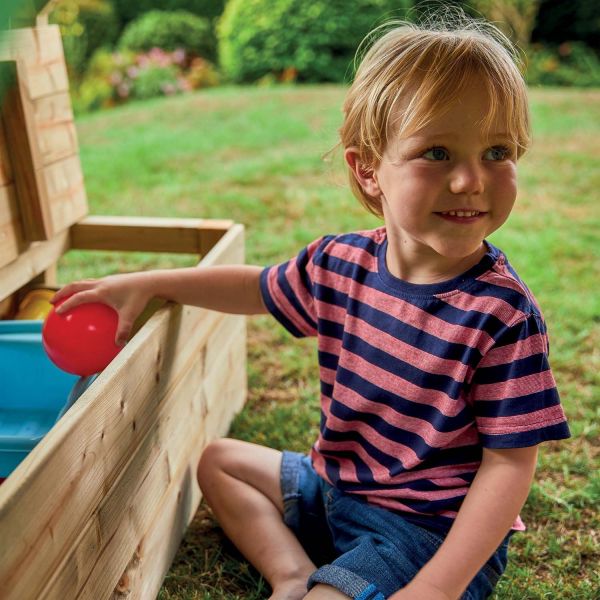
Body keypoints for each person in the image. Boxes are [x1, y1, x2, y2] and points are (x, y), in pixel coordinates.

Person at [51, 11, 571, 600]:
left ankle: (332, 583)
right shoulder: (340, 263)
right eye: (437, 153)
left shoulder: (501, 313)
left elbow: (509, 466)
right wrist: (151, 283)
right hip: (333, 489)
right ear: (368, 170)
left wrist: (438, 588)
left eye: (497, 151)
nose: (470, 181)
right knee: (220, 463)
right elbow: (255, 287)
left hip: (425, 535)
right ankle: (292, 574)